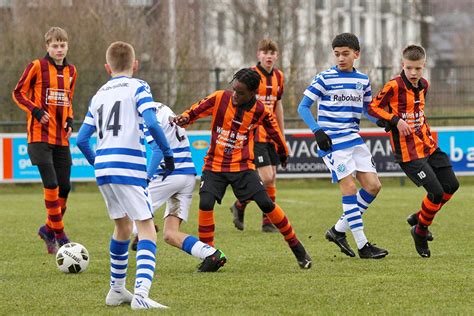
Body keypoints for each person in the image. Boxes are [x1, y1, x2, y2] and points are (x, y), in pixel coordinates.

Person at [174, 68, 312, 269]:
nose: (235, 95)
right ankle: (209, 256)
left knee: (265, 203)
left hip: (243, 166)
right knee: (205, 202)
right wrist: (185, 118)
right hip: (214, 164)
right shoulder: (220, 98)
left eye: (241, 93)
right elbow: (195, 110)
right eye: (234, 89)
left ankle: (297, 247)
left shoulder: (260, 110)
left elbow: (275, 133)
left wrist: (283, 154)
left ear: (252, 93)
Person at [76, 41, 174, 309]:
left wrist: (99, 163)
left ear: (107, 68)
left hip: (104, 167)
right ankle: (141, 296)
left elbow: (83, 140)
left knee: (122, 227)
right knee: (146, 229)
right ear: (135, 64)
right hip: (128, 165)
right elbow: (152, 122)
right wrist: (167, 152)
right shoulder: (139, 86)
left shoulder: (98, 95)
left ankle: (117, 291)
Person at [298, 33, 388, 259]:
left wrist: (385, 122)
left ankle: (338, 230)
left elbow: (368, 110)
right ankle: (363, 245)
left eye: (345, 54)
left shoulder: (363, 80)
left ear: (356, 54)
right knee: (349, 188)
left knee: (373, 186)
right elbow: (303, 107)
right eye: (337, 54)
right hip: (333, 142)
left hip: (354, 139)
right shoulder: (324, 78)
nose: (340, 58)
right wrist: (317, 131)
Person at [368, 44, 459, 258]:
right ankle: (420, 231)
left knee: (451, 185)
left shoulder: (424, 85)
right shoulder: (393, 86)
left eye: (417, 68)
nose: (413, 73)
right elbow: (372, 107)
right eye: (409, 68)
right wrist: (394, 120)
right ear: (403, 65)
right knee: (435, 193)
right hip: (408, 153)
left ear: (424, 66)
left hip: (428, 144)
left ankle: (420, 218)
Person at [131, 102, 226, 272]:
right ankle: (211, 254)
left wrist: (146, 178)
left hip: (170, 175)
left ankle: (125, 262)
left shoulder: (147, 116)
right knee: (170, 234)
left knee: (133, 209)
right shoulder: (161, 108)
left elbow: (159, 150)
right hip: (187, 176)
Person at [12, 27, 77, 254]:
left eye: (62, 45)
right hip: (39, 137)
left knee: (65, 187)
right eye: (54, 45)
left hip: (61, 138)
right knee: (51, 183)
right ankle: (60, 235)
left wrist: (70, 121)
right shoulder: (37, 66)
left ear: (67, 46)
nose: (59, 49)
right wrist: (36, 111)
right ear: (47, 47)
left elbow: (68, 101)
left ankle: (48, 229)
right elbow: (18, 93)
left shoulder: (71, 70)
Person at [229, 39, 285, 233]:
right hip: (254, 134)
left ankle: (267, 222)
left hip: (271, 134)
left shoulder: (279, 76)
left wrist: (282, 136)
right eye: (265, 52)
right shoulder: (250, 75)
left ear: (276, 56)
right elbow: (237, 100)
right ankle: (240, 204)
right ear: (258, 55)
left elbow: (277, 105)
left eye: (272, 52)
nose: (269, 55)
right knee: (266, 176)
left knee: (272, 177)